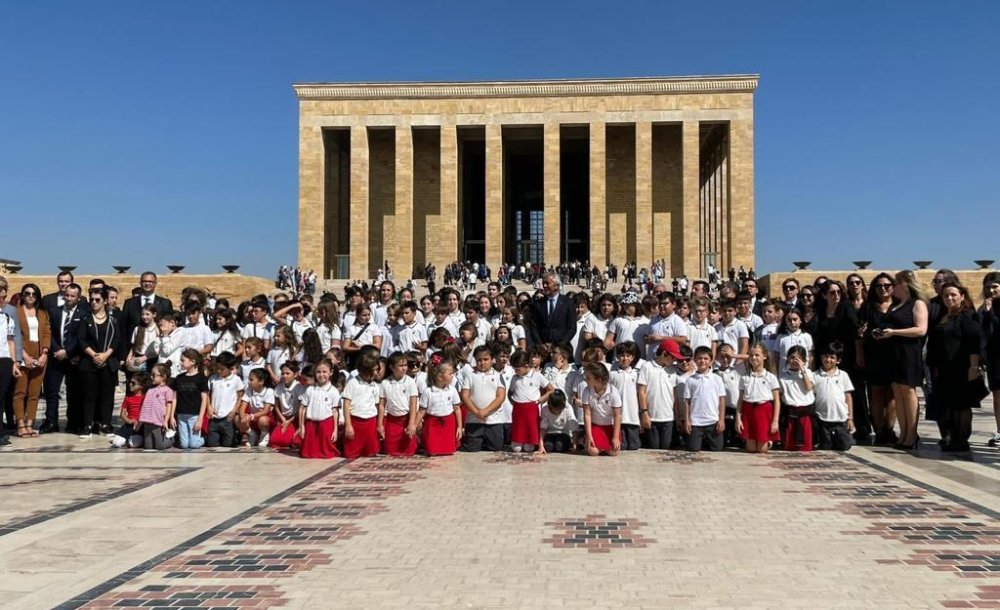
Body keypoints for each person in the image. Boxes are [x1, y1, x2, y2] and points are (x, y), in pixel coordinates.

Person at [927, 282, 983, 453]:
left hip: (961, 368)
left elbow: (974, 342)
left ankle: (961, 439)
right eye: (946, 295)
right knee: (946, 405)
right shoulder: (942, 317)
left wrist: (974, 366)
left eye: (953, 294)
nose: (949, 298)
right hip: (943, 369)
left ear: (962, 296)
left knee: (961, 405)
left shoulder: (967, 316)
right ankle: (949, 436)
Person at [880, 270, 928, 450]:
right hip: (894, 352)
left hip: (909, 352)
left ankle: (912, 434)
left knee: (908, 392)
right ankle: (903, 432)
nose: (893, 287)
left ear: (906, 284)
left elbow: (921, 329)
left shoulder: (918, 304)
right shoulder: (897, 305)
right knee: (897, 392)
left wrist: (895, 332)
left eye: (897, 283)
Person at [77, 287, 122, 437]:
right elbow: (81, 340)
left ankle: (106, 424)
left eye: (97, 300)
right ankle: (88, 424)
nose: (94, 303)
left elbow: (116, 339)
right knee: (89, 395)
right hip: (89, 362)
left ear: (104, 301)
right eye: (92, 300)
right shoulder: (85, 318)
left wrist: (106, 355)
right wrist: (94, 355)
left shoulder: (112, 320)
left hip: (108, 361)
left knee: (107, 395)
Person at [859, 273, 898, 446]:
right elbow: (859, 333)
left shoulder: (899, 305)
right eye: (879, 285)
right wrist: (860, 354)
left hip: (895, 354)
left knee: (892, 395)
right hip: (874, 354)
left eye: (887, 285)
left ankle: (889, 429)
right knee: (876, 394)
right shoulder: (868, 307)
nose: (883, 288)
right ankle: (879, 430)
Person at [42, 282, 85, 434]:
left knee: (73, 392)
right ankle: (50, 421)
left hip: (73, 358)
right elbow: (50, 332)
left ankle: (73, 422)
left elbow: (81, 337)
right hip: (56, 357)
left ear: (78, 298)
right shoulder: (55, 311)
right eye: (66, 295)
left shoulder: (83, 313)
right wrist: (57, 349)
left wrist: (68, 352)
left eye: (72, 296)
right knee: (51, 391)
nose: (69, 298)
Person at [12, 283, 49, 437]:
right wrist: (23, 356)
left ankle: (30, 423)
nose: (30, 296)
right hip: (22, 352)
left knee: (34, 393)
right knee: (20, 391)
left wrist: (44, 353)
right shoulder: (16, 312)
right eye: (27, 293)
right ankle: (20, 424)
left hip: (39, 353)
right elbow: (13, 335)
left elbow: (47, 332)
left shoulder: (42, 313)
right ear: (22, 295)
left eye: (34, 293)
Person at [459, 345, 506, 452]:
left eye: (486, 359)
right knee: (472, 448)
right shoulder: (470, 376)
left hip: (494, 420)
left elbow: (500, 397)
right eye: (479, 360)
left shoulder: (498, 376)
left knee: (495, 447)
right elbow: (465, 396)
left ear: (492, 360)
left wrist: (485, 411)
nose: (482, 362)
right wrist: (477, 412)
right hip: (474, 420)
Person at [507, 349, 554, 453]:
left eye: (517, 369)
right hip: (518, 410)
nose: (515, 371)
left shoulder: (537, 375)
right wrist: (513, 402)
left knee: (529, 447)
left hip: (531, 409)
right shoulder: (515, 378)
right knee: (516, 448)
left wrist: (541, 399)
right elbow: (510, 392)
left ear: (526, 365)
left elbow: (551, 389)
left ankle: (530, 441)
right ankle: (517, 440)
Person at [638, 339, 681, 450]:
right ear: (664, 354)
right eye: (673, 357)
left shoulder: (672, 370)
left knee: (666, 447)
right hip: (652, 417)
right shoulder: (646, 367)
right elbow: (641, 391)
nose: (675, 360)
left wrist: (676, 417)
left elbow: (674, 394)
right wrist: (644, 413)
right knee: (653, 448)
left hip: (668, 418)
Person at [736, 344, 780, 453]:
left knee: (762, 449)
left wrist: (775, 421)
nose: (753, 358)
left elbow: (777, 401)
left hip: (764, 410)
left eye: (757, 355)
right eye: (751, 355)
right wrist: (738, 418)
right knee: (750, 449)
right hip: (748, 410)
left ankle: (768, 442)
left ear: (764, 356)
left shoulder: (770, 377)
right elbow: (740, 400)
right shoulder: (745, 377)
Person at [813, 342, 855, 451]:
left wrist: (850, 418)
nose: (828, 360)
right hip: (822, 418)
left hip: (840, 419)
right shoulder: (814, 376)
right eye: (825, 356)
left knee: (844, 445)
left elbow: (848, 397)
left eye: (832, 357)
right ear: (821, 357)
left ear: (838, 360)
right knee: (825, 446)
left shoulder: (843, 375)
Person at [417, 355, 462, 456]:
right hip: (432, 423)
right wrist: (415, 425)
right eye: (450, 373)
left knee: (448, 451)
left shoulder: (452, 390)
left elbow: (457, 409)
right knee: (432, 450)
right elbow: (421, 411)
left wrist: (459, 426)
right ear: (440, 376)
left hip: (448, 423)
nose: (452, 376)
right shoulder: (428, 391)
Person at [683, 346, 726, 451]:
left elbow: (722, 401)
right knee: (693, 449)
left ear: (711, 361)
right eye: (699, 358)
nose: (702, 361)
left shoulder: (717, 379)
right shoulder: (690, 380)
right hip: (696, 422)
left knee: (718, 449)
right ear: (695, 360)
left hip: (713, 421)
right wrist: (687, 420)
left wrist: (721, 420)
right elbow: (687, 402)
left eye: (706, 358)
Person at [342, 353, 382, 458]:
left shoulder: (375, 385)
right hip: (355, 420)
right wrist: (348, 425)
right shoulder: (352, 383)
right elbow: (346, 404)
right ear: (366, 370)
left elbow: (378, 405)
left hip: (371, 421)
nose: (377, 372)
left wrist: (379, 424)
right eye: (375, 369)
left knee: (371, 452)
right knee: (351, 453)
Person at [298, 359, 341, 459]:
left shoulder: (333, 391)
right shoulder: (310, 389)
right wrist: (302, 426)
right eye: (318, 372)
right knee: (307, 454)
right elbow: (302, 408)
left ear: (331, 372)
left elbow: (335, 411)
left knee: (327, 453)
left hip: (326, 422)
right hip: (311, 423)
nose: (321, 375)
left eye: (324, 372)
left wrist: (335, 430)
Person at [379, 352, 419, 456]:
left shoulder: (410, 382)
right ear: (392, 367)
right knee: (390, 451)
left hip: (406, 419)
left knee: (409, 451)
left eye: (405, 365)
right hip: (391, 421)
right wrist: (380, 424)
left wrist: (412, 423)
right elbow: (382, 405)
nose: (404, 368)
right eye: (401, 365)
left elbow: (413, 404)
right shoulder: (385, 383)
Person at [581, 361, 622, 457]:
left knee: (614, 452)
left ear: (598, 379)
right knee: (593, 452)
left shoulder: (613, 393)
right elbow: (587, 414)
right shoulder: (587, 391)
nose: (585, 380)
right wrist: (589, 435)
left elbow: (617, 415)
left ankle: (608, 444)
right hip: (595, 426)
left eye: (588, 378)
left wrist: (615, 437)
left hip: (610, 426)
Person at [780, 345, 815, 452]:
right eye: (791, 357)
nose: (794, 360)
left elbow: (808, 387)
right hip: (790, 413)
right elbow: (781, 395)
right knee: (789, 447)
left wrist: (802, 370)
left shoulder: (808, 373)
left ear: (804, 360)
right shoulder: (783, 376)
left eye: (798, 358)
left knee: (805, 447)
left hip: (804, 413)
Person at [528, 273, 577, 348]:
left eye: (547, 283)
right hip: (543, 349)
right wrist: (540, 345)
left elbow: (572, 328)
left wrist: (560, 344)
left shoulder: (568, 303)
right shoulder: (538, 304)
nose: (544, 286)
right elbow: (534, 327)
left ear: (556, 286)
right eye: (543, 283)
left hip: (561, 349)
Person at [206, 352, 244, 448]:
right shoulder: (213, 379)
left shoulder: (236, 380)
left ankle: (237, 436)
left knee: (228, 444)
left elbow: (240, 397)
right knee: (212, 444)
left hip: (228, 417)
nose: (219, 371)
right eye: (217, 368)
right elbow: (207, 394)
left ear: (230, 368)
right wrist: (209, 407)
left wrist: (234, 411)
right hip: (214, 417)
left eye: (222, 369)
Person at [173, 348, 209, 450]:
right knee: (184, 445)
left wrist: (200, 419)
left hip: (194, 415)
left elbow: (204, 399)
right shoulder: (179, 378)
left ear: (193, 361)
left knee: (194, 445)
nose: (181, 362)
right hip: (181, 414)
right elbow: (175, 397)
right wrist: (172, 415)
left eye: (183, 360)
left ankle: (205, 438)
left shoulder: (201, 378)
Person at [980, 272, 1000, 447]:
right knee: (997, 395)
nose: (991, 290)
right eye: (988, 288)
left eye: (995, 287)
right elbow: (981, 331)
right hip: (994, 357)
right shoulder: (984, 308)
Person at [610, 341, 643, 450]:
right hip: (618, 417)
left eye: (628, 355)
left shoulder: (636, 374)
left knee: (634, 446)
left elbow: (640, 394)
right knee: (621, 446)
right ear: (617, 357)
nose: (625, 358)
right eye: (622, 355)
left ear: (633, 357)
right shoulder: (612, 374)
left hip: (632, 417)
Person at [138, 364, 174, 450]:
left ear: (163, 377)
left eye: (154, 375)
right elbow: (144, 405)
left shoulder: (167, 390)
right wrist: (140, 421)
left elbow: (169, 406)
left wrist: (166, 421)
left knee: (160, 446)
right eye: (151, 374)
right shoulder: (149, 390)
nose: (151, 377)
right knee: (148, 446)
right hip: (147, 422)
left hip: (158, 422)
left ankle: (171, 440)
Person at [270, 361, 305, 449]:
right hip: (283, 418)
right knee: (274, 441)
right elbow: (276, 405)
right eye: (283, 373)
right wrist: (282, 418)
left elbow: (301, 408)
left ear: (295, 374)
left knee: (289, 441)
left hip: (295, 418)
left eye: (287, 373)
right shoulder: (279, 387)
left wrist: (289, 421)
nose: (284, 376)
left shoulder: (299, 387)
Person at [110, 373, 147, 448]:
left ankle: (132, 440)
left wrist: (139, 422)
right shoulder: (128, 397)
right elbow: (122, 414)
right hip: (129, 425)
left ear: (141, 386)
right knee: (116, 443)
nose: (130, 384)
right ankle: (126, 439)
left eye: (133, 383)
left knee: (133, 444)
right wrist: (128, 421)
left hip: (140, 426)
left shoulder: (145, 397)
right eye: (129, 382)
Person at [239, 368, 274, 447]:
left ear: (261, 382)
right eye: (249, 379)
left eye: (251, 380)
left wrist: (251, 416)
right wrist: (242, 417)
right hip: (252, 418)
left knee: (263, 420)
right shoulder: (248, 390)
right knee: (238, 418)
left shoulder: (269, 391)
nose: (249, 382)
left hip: (264, 418)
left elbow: (266, 411)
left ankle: (264, 435)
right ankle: (252, 435)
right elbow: (242, 407)